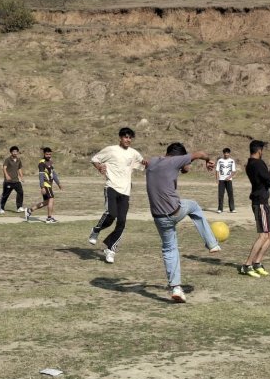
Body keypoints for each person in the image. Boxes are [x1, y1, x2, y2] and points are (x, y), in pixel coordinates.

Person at [145, 142, 221, 302]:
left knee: (169, 249)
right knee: (194, 206)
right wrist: (208, 160)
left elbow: (142, 161)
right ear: (180, 157)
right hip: (174, 211)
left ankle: (176, 288)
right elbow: (199, 153)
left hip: (158, 218)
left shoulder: (152, 161)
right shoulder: (175, 161)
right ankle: (212, 243)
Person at [88, 127, 145, 263]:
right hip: (112, 187)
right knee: (111, 214)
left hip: (126, 191)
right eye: (125, 137)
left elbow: (143, 164)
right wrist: (99, 167)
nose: (128, 140)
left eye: (130, 137)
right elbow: (95, 159)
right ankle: (96, 229)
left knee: (122, 222)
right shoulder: (111, 150)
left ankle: (111, 249)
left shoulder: (134, 153)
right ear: (120, 138)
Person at [240, 139, 270, 278]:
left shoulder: (250, 164)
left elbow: (267, 181)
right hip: (260, 202)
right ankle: (247, 265)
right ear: (259, 151)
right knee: (263, 236)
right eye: (262, 150)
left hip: (263, 202)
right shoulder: (258, 164)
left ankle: (257, 263)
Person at [26, 147, 61, 223]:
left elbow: (53, 174)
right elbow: (41, 176)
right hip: (46, 184)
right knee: (51, 199)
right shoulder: (42, 163)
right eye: (47, 154)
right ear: (44, 154)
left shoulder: (50, 162)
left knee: (47, 202)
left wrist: (58, 183)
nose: (48, 155)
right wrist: (42, 187)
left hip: (49, 184)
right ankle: (49, 218)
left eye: (50, 154)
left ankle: (29, 210)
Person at [0, 145, 24, 214]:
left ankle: (19, 207)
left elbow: (19, 168)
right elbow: (4, 168)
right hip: (8, 181)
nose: (15, 153)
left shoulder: (19, 160)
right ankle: (1, 208)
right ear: (11, 152)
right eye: (13, 151)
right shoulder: (8, 159)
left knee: (20, 192)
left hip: (16, 181)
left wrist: (21, 177)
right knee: (5, 195)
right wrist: (6, 175)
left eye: (16, 151)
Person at [215, 147, 237, 214]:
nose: (226, 154)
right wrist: (217, 179)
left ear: (229, 154)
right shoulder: (220, 161)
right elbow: (217, 170)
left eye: (227, 153)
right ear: (223, 153)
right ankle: (220, 209)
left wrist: (229, 177)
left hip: (229, 180)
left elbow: (234, 171)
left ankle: (232, 209)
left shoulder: (232, 161)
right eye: (225, 153)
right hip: (221, 180)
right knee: (221, 194)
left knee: (230, 194)